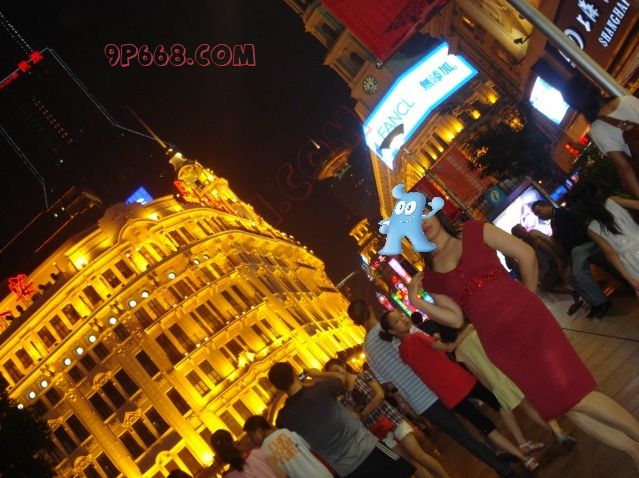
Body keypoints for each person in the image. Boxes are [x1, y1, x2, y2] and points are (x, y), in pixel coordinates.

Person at [408, 210, 639, 470]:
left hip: (531, 323)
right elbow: (454, 319)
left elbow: (526, 254)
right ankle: (634, 451)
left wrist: (527, 297)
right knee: (565, 407)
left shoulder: (474, 230)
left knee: (576, 396)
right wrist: (417, 301)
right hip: (501, 346)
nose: (421, 224)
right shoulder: (431, 276)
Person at [347, 300, 515, 478]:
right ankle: (503, 451)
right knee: (477, 419)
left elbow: (387, 384)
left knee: (464, 438)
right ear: (370, 308)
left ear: (356, 322)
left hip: (421, 401)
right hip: (442, 384)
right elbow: (431, 344)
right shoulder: (397, 325)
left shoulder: (368, 350)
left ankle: (502, 468)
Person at [378, 309, 540, 471]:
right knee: (499, 405)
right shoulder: (417, 337)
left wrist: (435, 340)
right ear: (392, 331)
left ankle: (525, 458)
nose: (403, 319)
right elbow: (449, 348)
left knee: (484, 426)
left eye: (402, 315)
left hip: (449, 395)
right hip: (462, 381)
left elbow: (431, 354)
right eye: (397, 321)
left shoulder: (402, 352)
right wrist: (467, 331)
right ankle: (522, 444)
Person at [424, 319, 576, 451]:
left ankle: (556, 433)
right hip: (508, 370)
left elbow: (478, 374)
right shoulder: (475, 331)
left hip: (497, 383)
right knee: (538, 402)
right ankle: (558, 432)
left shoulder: (459, 353)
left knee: (528, 408)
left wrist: (493, 389)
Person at [267, 361, 417, 478]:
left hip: (347, 469)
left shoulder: (284, 418)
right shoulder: (321, 389)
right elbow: (341, 378)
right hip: (369, 447)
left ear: (278, 387)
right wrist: (318, 374)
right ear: (294, 373)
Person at [314, 358, 449, 478]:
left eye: (336, 369)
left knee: (418, 455)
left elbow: (380, 395)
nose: (336, 374)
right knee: (410, 462)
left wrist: (363, 413)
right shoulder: (343, 396)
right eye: (332, 373)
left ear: (343, 365)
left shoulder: (363, 375)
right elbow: (355, 417)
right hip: (378, 429)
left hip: (391, 418)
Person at [532, 200, 612, 318]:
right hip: (575, 250)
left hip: (582, 245)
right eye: (537, 214)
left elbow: (560, 238)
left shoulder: (560, 214)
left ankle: (602, 302)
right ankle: (594, 302)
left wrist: (544, 237)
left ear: (545, 206)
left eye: (539, 212)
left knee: (579, 273)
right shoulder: (554, 220)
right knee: (571, 277)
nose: (539, 216)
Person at [562, 75, 639, 198]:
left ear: (576, 105)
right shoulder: (628, 100)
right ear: (592, 86)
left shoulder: (598, 129)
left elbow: (625, 169)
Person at [569, 182, 639, 293]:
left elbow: (611, 254)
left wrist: (630, 279)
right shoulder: (613, 201)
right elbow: (636, 205)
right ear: (597, 193)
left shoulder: (592, 229)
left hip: (630, 261)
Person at [510, 224, 583, 314]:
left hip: (556, 260)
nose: (521, 233)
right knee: (544, 285)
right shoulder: (528, 240)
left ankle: (573, 293)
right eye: (518, 233)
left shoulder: (534, 237)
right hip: (552, 262)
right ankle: (573, 293)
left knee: (546, 286)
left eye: (520, 230)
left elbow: (548, 249)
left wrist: (559, 262)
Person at [243, 415, 334, 478]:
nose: (252, 440)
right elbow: (308, 449)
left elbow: (282, 476)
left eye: (251, 436)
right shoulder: (286, 432)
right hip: (323, 473)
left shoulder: (264, 451)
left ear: (258, 431)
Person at [210, 429, 284, 478]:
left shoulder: (228, 476)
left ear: (218, 453)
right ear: (233, 442)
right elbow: (282, 474)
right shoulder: (257, 453)